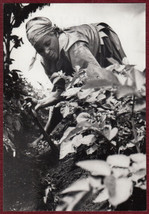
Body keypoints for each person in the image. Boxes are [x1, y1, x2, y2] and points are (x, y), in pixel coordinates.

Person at [26, 16, 128, 147]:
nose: (46, 52)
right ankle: (44, 137)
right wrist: (40, 103)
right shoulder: (45, 61)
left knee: (117, 83)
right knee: (74, 91)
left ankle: (121, 129)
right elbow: (60, 93)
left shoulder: (74, 46)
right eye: (40, 50)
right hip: (75, 57)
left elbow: (97, 80)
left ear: (55, 33)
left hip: (103, 42)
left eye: (48, 44)